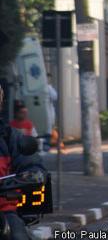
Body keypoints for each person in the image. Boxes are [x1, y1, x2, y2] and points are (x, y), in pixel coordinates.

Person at [0, 86, 47, 240]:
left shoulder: (10, 138)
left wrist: (30, 175)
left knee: (17, 234)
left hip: (4, 212)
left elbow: (34, 168)